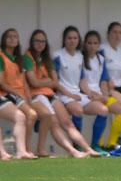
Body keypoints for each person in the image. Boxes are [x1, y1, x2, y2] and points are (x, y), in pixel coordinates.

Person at [23, 29, 98, 157]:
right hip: (36, 95)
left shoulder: (47, 58)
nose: (40, 44)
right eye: (37, 41)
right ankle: (71, 151)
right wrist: (47, 81)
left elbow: (55, 81)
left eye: (43, 41)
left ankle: (87, 149)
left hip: (50, 94)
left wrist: (46, 82)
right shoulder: (27, 57)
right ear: (32, 42)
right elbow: (34, 83)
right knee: (54, 122)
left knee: (68, 123)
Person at [80, 30, 121, 149]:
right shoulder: (80, 59)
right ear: (85, 44)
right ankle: (97, 144)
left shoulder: (101, 59)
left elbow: (103, 81)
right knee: (103, 110)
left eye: (95, 43)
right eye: (89, 43)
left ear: (98, 45)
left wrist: (104, 96)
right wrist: (94, 96)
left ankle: (112, 144)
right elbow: (82, 82)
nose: (92, 46)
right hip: (86, 95)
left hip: (99, 95)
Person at [0, 29, 38, 159]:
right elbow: (2, 83)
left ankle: (24, 150)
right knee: (21, 116)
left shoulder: (19, 58)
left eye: (15, 36)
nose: (12, 39)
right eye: (9, 37)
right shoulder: (1, 56)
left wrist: (27, 96)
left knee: (31, 115)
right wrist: (17, 92)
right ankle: (16, 151)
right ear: (4, 40)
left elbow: (24, 82)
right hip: (7, 93)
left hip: (17, 94)